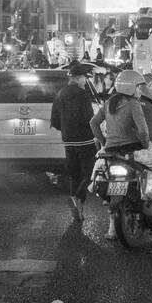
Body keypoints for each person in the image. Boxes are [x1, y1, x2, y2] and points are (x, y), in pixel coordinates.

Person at [90, 69, 152, 240]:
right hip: (131, 149)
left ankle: (112, 228)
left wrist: (104, 142)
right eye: (138, 87)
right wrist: (146, 145)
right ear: (131, 87)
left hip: (111, 152)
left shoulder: (109, 102)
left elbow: (93, 123)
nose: (140, 90)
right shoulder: (134, 104)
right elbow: (143, 130)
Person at [50, 63, 99, 225]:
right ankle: (77, 197)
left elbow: (55, 120)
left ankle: (78, 208)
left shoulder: (60, 93)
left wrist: (66, 129)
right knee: (90, 173)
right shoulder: (83, 95)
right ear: (78, 78)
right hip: (85, 141)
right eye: (85, 78)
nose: (86, 81)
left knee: (74, 175)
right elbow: (89, 118)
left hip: (68, 141)